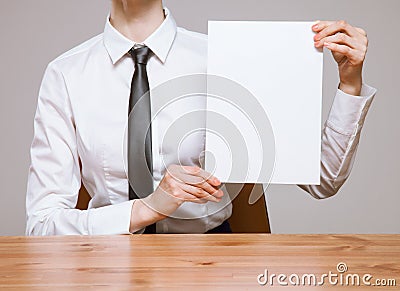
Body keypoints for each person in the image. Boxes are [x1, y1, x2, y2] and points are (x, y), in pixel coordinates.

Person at [26, 0, 376, 235]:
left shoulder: (226, 58)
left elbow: (323, 179)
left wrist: (349, 81)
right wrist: (146, 209)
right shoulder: (65, 75)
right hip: (106, 262)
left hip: (209, 262)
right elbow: (41, 224)